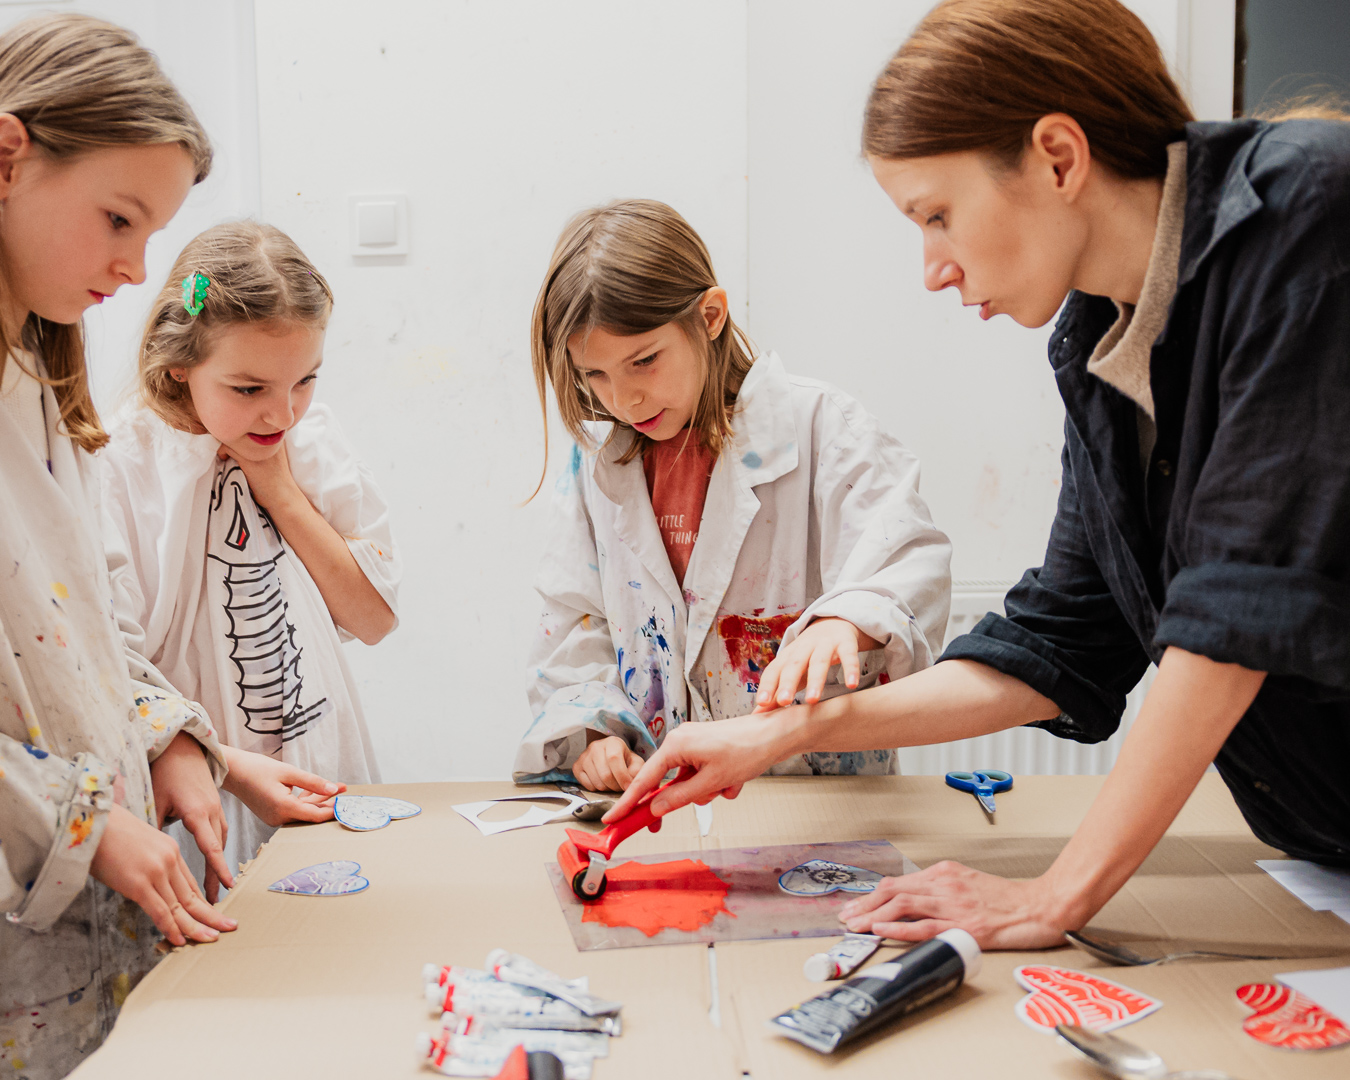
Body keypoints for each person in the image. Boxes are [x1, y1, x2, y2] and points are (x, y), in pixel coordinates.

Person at [608, 0, 1350, 950]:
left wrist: (1053, 898)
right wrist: (783, 732)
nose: (933, 269)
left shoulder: (1307, 211)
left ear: (1058, 157)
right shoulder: (1099, 342)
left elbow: (1231, 619)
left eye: (937, 216)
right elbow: (1063, 640)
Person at [514, 199, 951, 791]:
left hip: (815, 791)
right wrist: (596, 734)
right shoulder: (597, 462)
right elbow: (576, 621)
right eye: (595, 375)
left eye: (644, 361)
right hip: (668, 794)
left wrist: (849, 621)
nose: (624, 399)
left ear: (710, 316)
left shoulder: (822, 427)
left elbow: (909, 560)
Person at [0, 14, 239, 1077]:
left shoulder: (39, 380)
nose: (137, 269)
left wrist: (167, 737)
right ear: (8, 158)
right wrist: (83, 826)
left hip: (91, 938)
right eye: (117, 219)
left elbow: (81, 627)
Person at [101, 221, 401, 890]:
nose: (282, 414)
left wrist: (279, 488)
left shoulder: (308, 442)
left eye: (305, 381)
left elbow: (374, 619)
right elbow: (113, 667)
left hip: (319, 767)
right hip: (195, 787)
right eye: (249, 389)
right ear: (178, 362)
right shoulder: (119, 465)